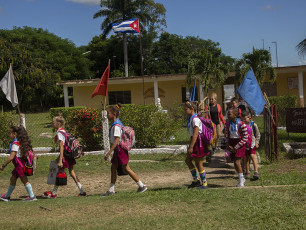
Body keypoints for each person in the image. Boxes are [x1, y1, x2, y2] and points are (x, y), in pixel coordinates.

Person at [102, 103, 147, 196]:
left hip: (119, 150)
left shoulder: (116, 126)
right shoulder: (117, 124)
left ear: (114, 114)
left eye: (108, 114)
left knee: (126, 168)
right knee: (113, 167)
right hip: (118, 150)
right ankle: (111, 189)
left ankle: (141, 185)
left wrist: (108, 153)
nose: (107, 116)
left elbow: (117, 141)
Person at [44, 116, 86, 198]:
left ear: (58, 124)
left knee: (59, 172)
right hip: (69, 155)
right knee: (72, 172)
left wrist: (60, 160)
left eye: (53, 123)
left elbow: (62, 147)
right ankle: (82, 191)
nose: (52, 124)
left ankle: (54, 193)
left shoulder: (59, 133)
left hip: (65, 156)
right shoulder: (64, 131)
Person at [0, 126, 37, 202]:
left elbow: (11, 157)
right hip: (19, 166)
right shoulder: (19, 142)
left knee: (24, 181)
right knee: (12, 179)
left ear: (15, 134)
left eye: (10, 133)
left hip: (19, 166)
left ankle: (32, 196)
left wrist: (3, 165)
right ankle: (7, 196)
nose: (9, 135)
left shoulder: (15, 144)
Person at [184, 101, 210, 189]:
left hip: (198, 143)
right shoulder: (191, 118)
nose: (185, 111)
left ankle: (204, 184)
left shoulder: (195, 119)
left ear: (192, 109)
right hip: (194, 141)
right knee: (188, 160)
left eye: (186, 109)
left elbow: (196, 134)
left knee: (199, 164)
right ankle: (196, 181)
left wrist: (191, 146)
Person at [225, 108, 249, 187]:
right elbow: (226, 135)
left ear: (235, 115)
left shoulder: (241, 124)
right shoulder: (228, 124)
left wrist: (237, 146)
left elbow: (245, 137)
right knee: (235, 163)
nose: (228, 116)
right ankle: (241, 178)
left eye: (229, 114)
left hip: (239, 144)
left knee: (237, 162)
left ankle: (241, 180)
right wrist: (228, 144)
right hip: (232, 144)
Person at [241, 111, 260, 180]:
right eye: (242, 119)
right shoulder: (242, 126)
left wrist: (257, 142)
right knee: (246, 158)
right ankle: (247, 171)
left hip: (252, 143)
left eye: (245, 118)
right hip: (245, 144)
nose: (244, 120)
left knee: (252, 156)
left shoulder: (254, 125)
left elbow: (258, 134)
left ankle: (256, 171)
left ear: (250, 118)